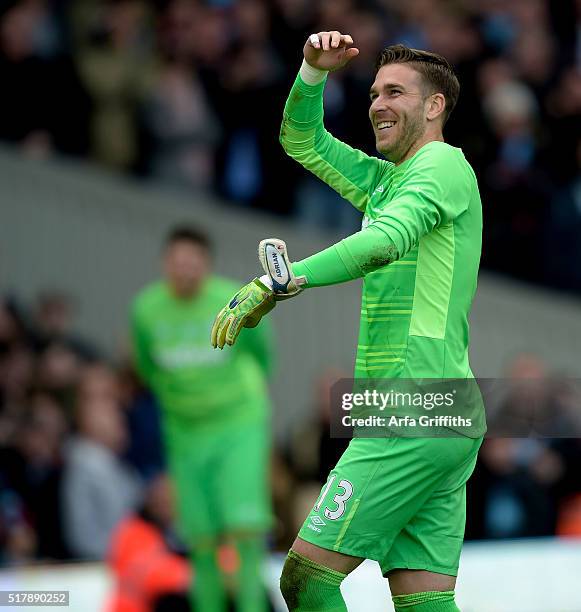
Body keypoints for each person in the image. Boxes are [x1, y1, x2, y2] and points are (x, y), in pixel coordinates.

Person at [211, 31, 485, 612]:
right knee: (423, 600)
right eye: (373, 93)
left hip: (413, 403)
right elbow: (302, 140)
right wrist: (312, 72)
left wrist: (280, 280)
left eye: (396, 93)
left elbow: (384, 243)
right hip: (441, 405)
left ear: (435, 106)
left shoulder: (439, 164)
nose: (378, 105)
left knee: (306, 578)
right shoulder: (387, 180)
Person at [131, 226, 274, 612]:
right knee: (201, 538)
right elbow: (146, 368)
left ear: (207, 265)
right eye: (178, 262)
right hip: (184, 432)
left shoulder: (233, 300)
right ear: (166, 264)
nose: (185, 270)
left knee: (244, 531)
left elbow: (261, 356)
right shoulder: (146, 309)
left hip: (237, 425)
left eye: (193, 262)